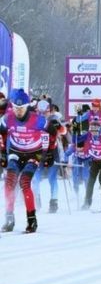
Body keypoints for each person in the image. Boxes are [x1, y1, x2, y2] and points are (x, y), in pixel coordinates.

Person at [0, 89, 61, 232]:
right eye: (16, 108)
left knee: (24, 182)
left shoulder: (37, 119)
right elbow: (1, 133)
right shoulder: (7, 118)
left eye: (21, 108)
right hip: (16, 152)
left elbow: (53, 132)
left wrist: (51, 152)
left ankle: (32, 220)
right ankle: (9, 218)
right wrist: (2, 152)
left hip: (34, 153)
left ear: (27, 106)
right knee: (9, 182)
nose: (18, 111)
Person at [81, 120, 101, 211]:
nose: (94, 132)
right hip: (95, 160)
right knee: (90, 181)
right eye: (92, 130)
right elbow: (82, 141)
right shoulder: (89, 135)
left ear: (99, 130)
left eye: (95, 130)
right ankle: (87, 202)